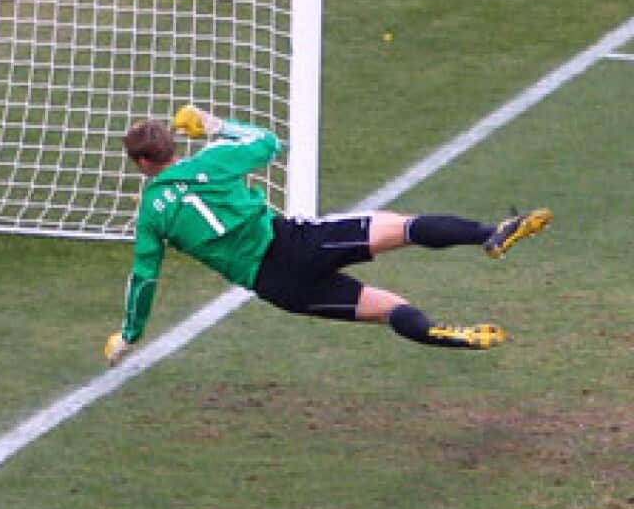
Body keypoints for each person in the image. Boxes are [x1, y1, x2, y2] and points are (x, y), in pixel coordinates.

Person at [103, 105, 552, 366]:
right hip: (293, 242)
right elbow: (267, 141)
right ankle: (489, 235)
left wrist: (128, 335)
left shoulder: (149, 216)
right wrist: (213, 125)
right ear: (172, 147)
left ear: (142, 165)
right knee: (404, 228)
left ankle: (442, 333)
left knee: (386, 308)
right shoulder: (213, 161)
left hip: (276, 286)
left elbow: (144, 279)